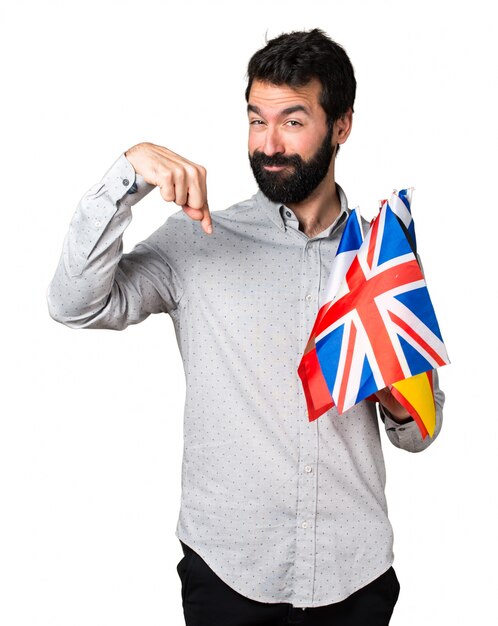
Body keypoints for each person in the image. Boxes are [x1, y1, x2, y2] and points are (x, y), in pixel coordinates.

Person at [48, 28, 444, 626]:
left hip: (355, 577)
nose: (269, 143)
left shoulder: (379, 257)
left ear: (341, 126)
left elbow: (419, 433)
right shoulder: (197, 240)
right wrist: (127, 175)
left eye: (292, 120)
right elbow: (73, 303)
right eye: (257, 120)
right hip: (229, 573)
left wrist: (394, 397)